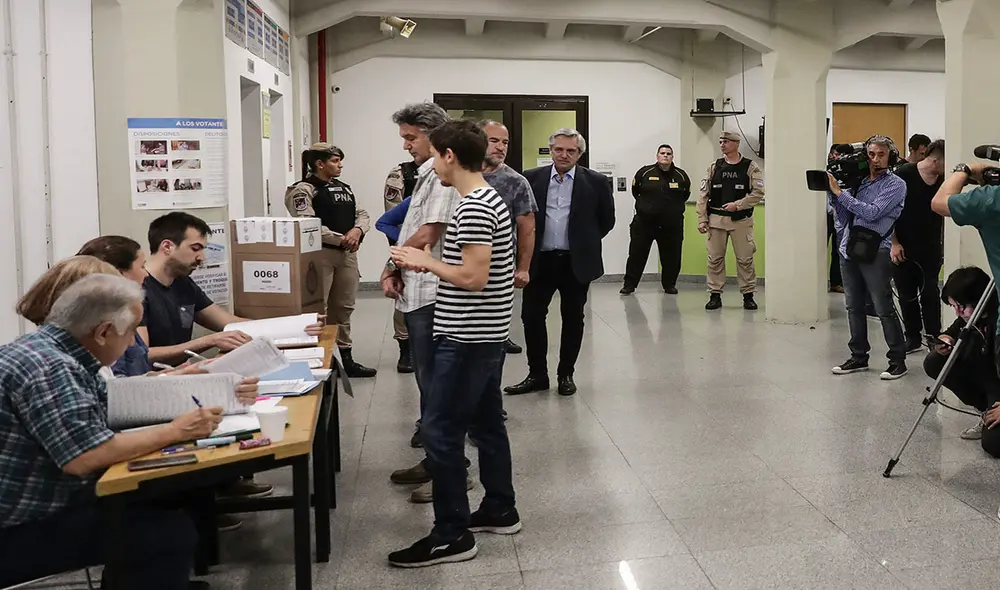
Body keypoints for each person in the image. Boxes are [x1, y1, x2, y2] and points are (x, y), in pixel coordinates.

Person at [0, 274, 223, 589]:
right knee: (164, 535)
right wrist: (176, 430)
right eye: (131, 331)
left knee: (165, 497)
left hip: (36, 504)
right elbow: (85, 456)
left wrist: (175, 382)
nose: (132, 343)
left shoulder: (52, 350)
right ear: (103, 332)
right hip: (18, 527)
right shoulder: (51, 368)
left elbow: (113, 403)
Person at [387, 118, 520, 568]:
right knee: (486, 424)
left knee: (440, 431)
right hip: (480, 336)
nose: (432, 167)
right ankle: (500, 508)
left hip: (466, 338)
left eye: (434, 157)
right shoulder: (482, 200)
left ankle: (451, 534)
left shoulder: (476, 207)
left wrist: (424, 260)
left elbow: (473, 278)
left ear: (449, 155)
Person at [141, 212, 318, 510]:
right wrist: (205, 342)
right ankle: (208, 497)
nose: (201, 258)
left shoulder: (183, 284)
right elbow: (142, 353)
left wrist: (297, 326)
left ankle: (224, 482)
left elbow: (229, 323)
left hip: (187, 375)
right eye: (195, 248)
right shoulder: (141, 291)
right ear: (168, 246)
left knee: (244, 392)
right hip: (155, 384)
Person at [380, 102, 465, 479]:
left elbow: (429, 232)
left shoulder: (443, 177)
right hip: (419, 290)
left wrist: (392, 263)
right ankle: (435, 461)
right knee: (428, 384)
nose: (406, 145)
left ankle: (450, 470)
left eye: (411, 138)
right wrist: (398, 265)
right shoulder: (426, 174)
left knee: (439, 387)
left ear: (434, 136)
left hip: (434, 294)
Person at [504, 128, 615, 397]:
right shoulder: (531, 178)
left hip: (575, 263)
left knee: (573, 318)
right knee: (531, 317)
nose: (564, 155)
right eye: (559, 149)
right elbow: (520, 219)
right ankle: (537, 374)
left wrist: (581, 241)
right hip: (539, 261)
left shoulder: (596, 182)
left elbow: (606, 221)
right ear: (551, 150)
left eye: (571, 151)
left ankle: (566, 374)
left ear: (580, 153)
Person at [284, 143, 376, 378]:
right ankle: (317, 359)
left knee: (344, 307)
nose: (340, 165)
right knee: (318, 309)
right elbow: (307, 223)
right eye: (335, 161)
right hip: (320, 254)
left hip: (347, 254)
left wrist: (357, 231)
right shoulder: (302, 190)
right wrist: (341, 239)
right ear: (319, 164)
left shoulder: (344, 188)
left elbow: (362, 214)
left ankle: (346, 359)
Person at [828, 135, 908, 380]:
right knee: (853, 306)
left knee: (883, 307)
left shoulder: (895, 185)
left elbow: (872, 213)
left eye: (881, 154)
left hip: (877, 251)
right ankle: (858, 356)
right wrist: (834, 195)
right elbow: (845, 217)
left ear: (891, 157)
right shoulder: (858, 183)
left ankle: (897, 360)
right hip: (849, 248)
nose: (875, 159)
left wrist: (840, 193)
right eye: (871, 154)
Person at [922, 267, 1000, 446]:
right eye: (954, 306)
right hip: (987, 380)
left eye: (961, 307)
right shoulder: (970, 318)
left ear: (979, 299)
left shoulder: (996, 321)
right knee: (935, 361)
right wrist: (944, 340)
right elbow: (951, 332)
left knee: (993, 443)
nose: (958, 312)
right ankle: (985, 410)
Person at [480, 119, 538, 355]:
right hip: (459, 264)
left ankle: (499, 338)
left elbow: (527, 228)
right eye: (494, 141)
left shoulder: (516, 182)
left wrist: (523, 268)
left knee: (495, 327)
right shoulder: (458, 175)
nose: (501, 147)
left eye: (505, 142)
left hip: (499, 267)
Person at [696, 131, 764, 311]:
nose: (722, 145)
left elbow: (758, 193)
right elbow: (703, 194)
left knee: (745, 259)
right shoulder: (714, 167)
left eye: (726, 141)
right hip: (716, 220)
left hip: (741, 221)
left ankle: (748, 295)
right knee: (714, 259)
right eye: (720, 142)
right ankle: (715, 295)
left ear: (736, 143)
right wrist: (702, 219)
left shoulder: (750, 167)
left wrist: (738, 205)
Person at [891, 139, 946, 353]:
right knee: (906, 294)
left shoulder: (943, 180)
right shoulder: (903, 175)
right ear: (935, 161)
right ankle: (912, 337)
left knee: (930, 293)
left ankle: (934, 336)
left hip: (930, 247)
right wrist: (894, 243)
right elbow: (889, 212)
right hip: (903, 245)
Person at [622, 144, 691, 295]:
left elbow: (685, 195)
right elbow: (636, 191)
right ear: (657, 156)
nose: (665, 156)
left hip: (671, 225)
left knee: (672, 256)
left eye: (668, 153)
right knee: (636, 255)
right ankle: (629, 285)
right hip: (644, 223)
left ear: (672, 157)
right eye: (662, 153)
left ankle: (669, 285)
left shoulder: (681, 176)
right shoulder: (644, 173)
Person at [382, 160, 420, 373]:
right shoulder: (402, 173)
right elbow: (390, 217)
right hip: (408, 246)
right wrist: (402, 247)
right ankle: (405, 350)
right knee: (404, 296)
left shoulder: (449, 170)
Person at [828, 202, 844, 293]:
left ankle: (836, 282)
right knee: (820, 250)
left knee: (838, 250)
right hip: (823, 214)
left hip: (838, 213)